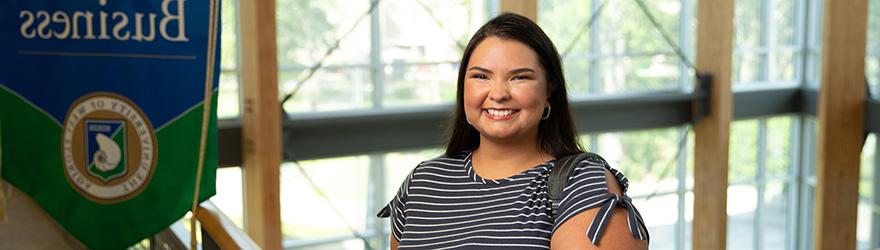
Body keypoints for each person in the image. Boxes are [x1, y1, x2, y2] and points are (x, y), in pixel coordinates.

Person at [378, 13, 649, 249]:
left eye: (519, 77)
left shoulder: (581, 184)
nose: (498, 94)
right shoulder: (422, 183)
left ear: (549, 90)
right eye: (481, 76)